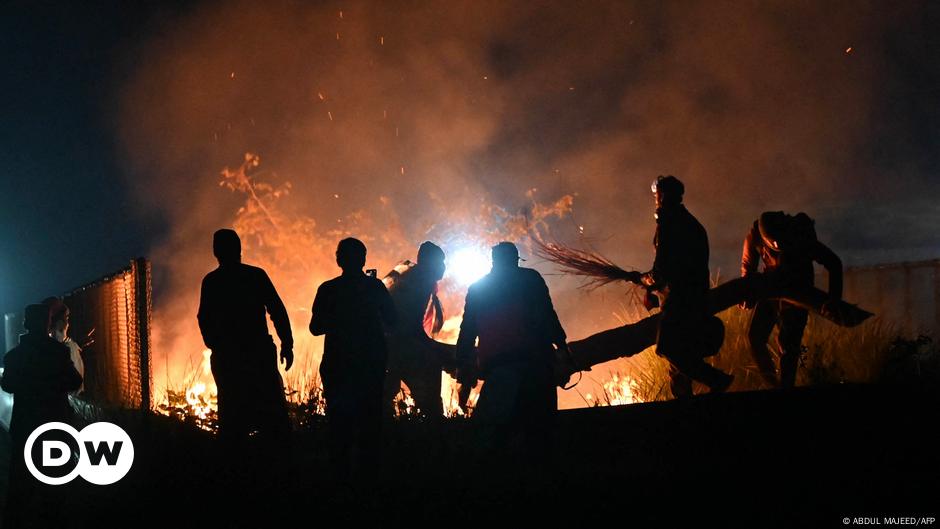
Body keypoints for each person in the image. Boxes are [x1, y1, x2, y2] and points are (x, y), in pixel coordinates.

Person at [455, 242, 567, 462]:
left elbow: (467, 332)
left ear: (494, 261)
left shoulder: (478, 288)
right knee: (540, 441)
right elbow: (548, 317)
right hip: (536, 368)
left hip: (499, 372)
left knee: (493, 443)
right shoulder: (531, 279)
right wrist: (563, 349)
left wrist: (463, 370)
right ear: (516, 259)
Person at [310, 238, 396, 487]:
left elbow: (316, 327)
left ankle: (340, 482)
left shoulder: (328, 289)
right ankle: (367, 484)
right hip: (370, 365)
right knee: (370, 426)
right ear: (363, 259)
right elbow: (393, 321)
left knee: (339, 426)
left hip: (338, 366)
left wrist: (339, 319)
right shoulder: (375, 287)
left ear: (339, 260)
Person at [638, 175, 733, 398]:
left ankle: (717, 379)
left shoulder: (669, 222)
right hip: (694, 296)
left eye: (656, 195)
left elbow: (663, 268)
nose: (655, 199)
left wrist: (647, 282)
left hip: (680, 300)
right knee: (681, 360)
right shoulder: (690, 222)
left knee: (668, 348)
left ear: (661, 196)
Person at [197, 228, 293, 442]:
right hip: (257, 355)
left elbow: (203, 318)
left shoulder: (212, 281)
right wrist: (287, 342)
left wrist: (215, 345)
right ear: (239, 249)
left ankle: (237, 466)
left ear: (216, 252)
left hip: (229, 359)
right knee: (271, 415)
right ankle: (277, 463)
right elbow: (277, 309)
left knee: (232, 418)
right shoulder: (255, 275)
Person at [1, 304, 83, 529]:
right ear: (47, 324)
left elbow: (7, 385)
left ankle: (15, 521)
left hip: (25, 426)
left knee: (20, 482)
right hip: (53, 425)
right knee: (54, 483)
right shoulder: (59, 352)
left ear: (26, 324)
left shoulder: (14, 356)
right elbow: (75, 382)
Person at [740, 211, 843, 387]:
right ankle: (773, 385)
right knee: (755, 337)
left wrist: (834, 300)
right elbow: (748, 267)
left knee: (788, 344)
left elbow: (833, 262)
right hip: (771, 289)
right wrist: (746, 293)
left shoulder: (800, 234)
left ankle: (786, 389)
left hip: (798, 292)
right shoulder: (755, 235)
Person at [382, 241, 448, 419]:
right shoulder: (419, 282)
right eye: (440, 262)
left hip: (391, 342)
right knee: (429, 391)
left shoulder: (413, 277)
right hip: (395, 343)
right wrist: (436, 349)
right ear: (429, 263)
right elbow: (408, 325)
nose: (443, 267)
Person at [42, 297, 84, 395]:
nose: (68, 324)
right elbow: (75, 383)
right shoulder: (61, 351)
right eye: (66, 318)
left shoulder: (41, 348)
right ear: (59, 323)